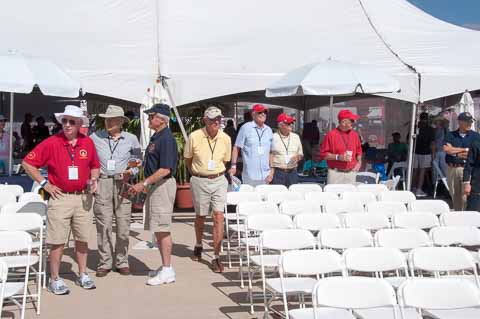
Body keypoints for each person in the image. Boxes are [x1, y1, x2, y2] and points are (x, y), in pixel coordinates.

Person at [22, 105, 100, 295]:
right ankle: (55, 278)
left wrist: (94, 179)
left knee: (82, 239)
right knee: (57, 241)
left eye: (71, 121)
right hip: (60, 197)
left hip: (83, 197)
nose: (67, 125)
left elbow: (95, 166)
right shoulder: (51, 142)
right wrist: (44, 184)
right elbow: (27, 163)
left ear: (79, 124)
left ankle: (83, 274)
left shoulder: (87, 143)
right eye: (64, 121)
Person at [90, 105, 141, 277]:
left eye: (112, 119)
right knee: (103, 223)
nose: (108, 122)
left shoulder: (131, 138)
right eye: (106, 119)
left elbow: (137, 161)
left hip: (123, 183)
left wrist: (131, 172)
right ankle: (105, 262)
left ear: (120, 122)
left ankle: (122, 261)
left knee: (123, 224)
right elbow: (89, 160)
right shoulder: (95, 137)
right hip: (103, 182)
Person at [129, 103, 178, 285]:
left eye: (152, 116)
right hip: (156, 186)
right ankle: (165, 267)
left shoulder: (166, 139)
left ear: (162, 119)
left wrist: (145, 183)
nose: (149, 118)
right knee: (158, 228)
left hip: (162, 185)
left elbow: (165, 168)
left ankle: (167, 270)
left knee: (162, 228)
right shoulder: (156, 137)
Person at [184, 106, 231, 273]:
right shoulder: (194, 136)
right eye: (212, 119)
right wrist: (198, 174)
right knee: (201, 216)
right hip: (199, 180)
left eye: (218, 119)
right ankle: (198, 244)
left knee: (218, 216)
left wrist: (214, 173)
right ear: (205, 120)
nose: (216, 122)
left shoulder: (225, 138)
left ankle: (216, 256)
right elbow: (188, 160)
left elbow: (225, 161)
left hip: (219, 179)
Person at [444, 112, 480, 210]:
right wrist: (465, 149)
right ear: (459, 122)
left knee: (465, 197)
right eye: (467, 122)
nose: (470, 124)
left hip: (467, 170)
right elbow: (447, 149)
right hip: (453, 168)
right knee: (455, 197)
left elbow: (473, 155)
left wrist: (455, 151)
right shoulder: (451, 135)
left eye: (471, 122)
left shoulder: (476, 136)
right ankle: (458, 218)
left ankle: (465, 218)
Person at [230, 104, 273, 186]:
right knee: (250, 198)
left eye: (265, 112)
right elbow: (236, 147)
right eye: (260, 112)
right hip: (250, 176)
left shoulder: (269, 130)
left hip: (266, 175)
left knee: (264, 198)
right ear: (253, 114)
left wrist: (271, 171)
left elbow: (271, 152)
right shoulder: (245, 128)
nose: (263, 114)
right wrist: (233, 166)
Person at [319, 109, 362, 184]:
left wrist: (359, 162)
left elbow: (359, 151)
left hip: (351, 173)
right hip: (335, 173)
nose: (353, 123)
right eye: (351, 121)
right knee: (333, 195)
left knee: (350, 196)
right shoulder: (331, 135)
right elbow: (323, 155)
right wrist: (338, 157)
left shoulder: (355, 135)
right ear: (343, 122)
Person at [270, 113, 303, 187]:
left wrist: (298, 157)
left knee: (293, 195)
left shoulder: (296, 137)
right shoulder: (273, 137)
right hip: (278, 172)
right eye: (288, 123)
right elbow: (270, 154)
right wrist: (271, 171)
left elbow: (301, 154)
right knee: (278, 195)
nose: (291, 125)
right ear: (280, 125)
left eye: (292, 123)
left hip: (293, 172)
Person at [412, 112, 435, 197]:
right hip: (426, 152)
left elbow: (408, 140)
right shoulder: (430, 129)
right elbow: (432, 143)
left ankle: (413, 188)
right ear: (427, 119)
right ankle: (418, 189)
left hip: (414, 151)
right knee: (422, 171)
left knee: (414, 171)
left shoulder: (415, 127)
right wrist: (433, 156)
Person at [463, 137, 480, 211]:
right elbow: (469, 165)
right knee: (473, 212)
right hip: (477, 186)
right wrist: (467, 183)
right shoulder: (476, 143)